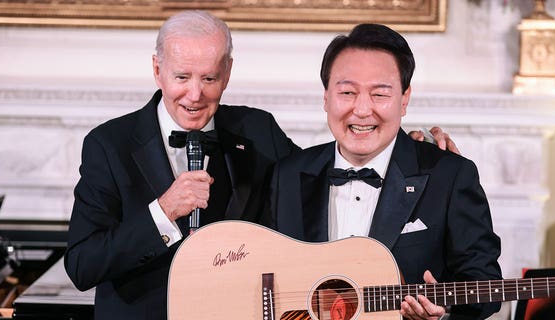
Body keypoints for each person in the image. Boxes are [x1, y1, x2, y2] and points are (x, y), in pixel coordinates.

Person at [64, 10, 460, 320]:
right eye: (181, 76)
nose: (195, 94)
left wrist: (415, 151)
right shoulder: (108, 145)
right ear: (157, 70)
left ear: (228, 73)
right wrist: (162, 213)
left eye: (209, 78)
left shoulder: (257, 130)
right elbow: (82, 266)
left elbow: (323, 174)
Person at [264, 23, 502, 320]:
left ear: (404, 99)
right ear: (326, 97)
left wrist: (444, 311)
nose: (362, 110)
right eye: (348, 92)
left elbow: (486, 284)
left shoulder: (450, 175)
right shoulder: (288, 174)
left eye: (379, 94)